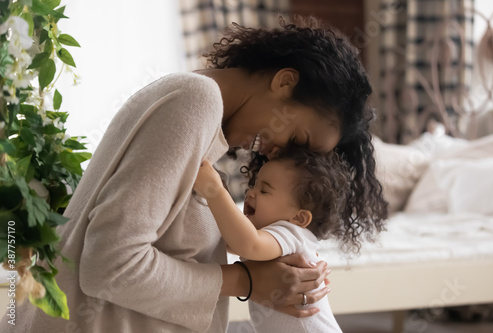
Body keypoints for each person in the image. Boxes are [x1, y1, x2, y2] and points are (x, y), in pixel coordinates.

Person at [0, 16, 387, 333]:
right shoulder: (195, 101)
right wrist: (248, 282)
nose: (279, 152)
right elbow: (110, 266)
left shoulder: (198, 117)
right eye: (297, 137)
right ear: (285, 82)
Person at [194, 144, 352, 332]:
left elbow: (248, 244)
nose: (250, 192)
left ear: (299, 218)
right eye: (254, 185)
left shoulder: (292, 232)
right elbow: (230, 240)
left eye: (264, 190)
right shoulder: (276, 238)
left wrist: (215, 192)